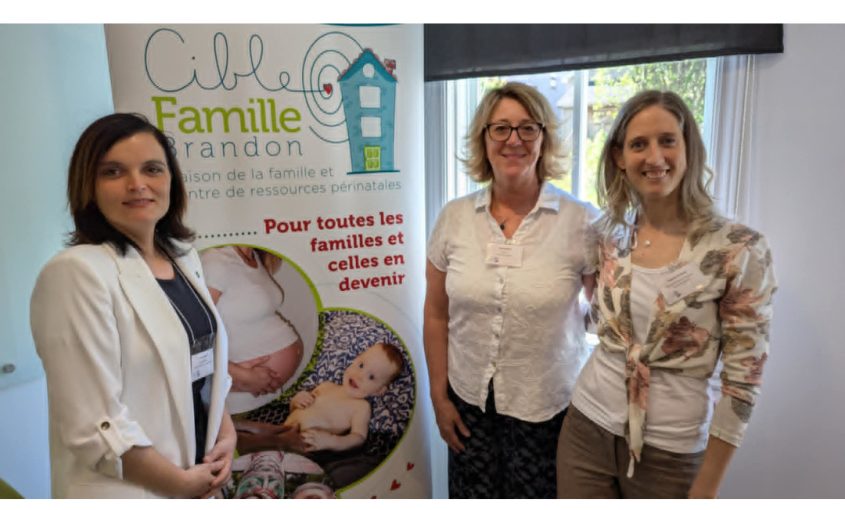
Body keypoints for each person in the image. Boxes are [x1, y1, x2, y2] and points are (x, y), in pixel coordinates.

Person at [556, 90, 777, 498]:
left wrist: (706, 488)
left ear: (688, 148)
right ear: (620, 157)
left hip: (671, 450)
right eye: (639, 144)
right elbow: (596, 317)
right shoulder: (608, 235)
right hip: (586, 428)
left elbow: (743, 379)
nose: (654, 157)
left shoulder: (738, 250)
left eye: (668, 141)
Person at [30, 113, 236, 498]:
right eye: (113, 172)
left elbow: (200, 366)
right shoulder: (75, 273)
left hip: (199, 476)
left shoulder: (183, 258)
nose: (137, 184)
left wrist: (225, 433)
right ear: (88, 187)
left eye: (152, 169)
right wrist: (179, 485)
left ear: (171, 180)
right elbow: (94, 425)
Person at [424, 82, 597, 498]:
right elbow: (436, 314)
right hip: (467, 403)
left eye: (527, 128)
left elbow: (607, 318)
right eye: (500, 128)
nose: (513, 140)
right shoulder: (453, 218)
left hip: (548, 408)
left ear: (544, 137)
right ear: (483, 139)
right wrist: (439, 397)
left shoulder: (582, 222)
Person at [201, 245, 304, 414]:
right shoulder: (216, 260)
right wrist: (241, 377)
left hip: (262, 392)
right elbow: (191, 335)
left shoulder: (255, 257)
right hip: (238, 395)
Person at [285, 343, 403, 453]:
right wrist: (295, 401)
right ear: (355, 360)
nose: (359, 376)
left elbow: (359, 437)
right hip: (281, 433)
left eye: (371, 377)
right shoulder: (326, 386)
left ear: (379, 390)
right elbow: (294, 412)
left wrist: (331, 441)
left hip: (303, 450)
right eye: (361, 365)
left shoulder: (361, 407)